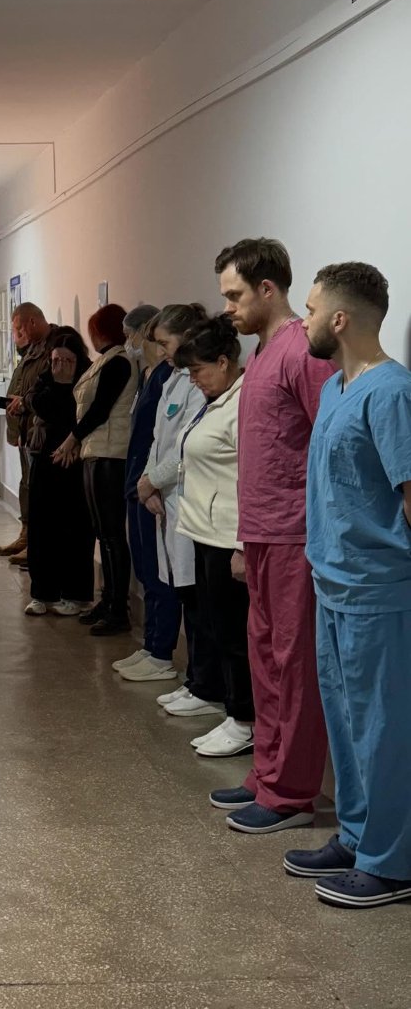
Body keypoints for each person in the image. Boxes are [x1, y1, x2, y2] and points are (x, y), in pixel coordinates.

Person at [283, 263, 411, 909]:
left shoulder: (391, 393)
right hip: (332, 584)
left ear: (339, 319)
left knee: (383, 732)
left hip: (377, 592)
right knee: (347, 726)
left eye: (309, 310)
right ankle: (359, 836)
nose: (301, 321)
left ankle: (393, 863)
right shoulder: (336, 388)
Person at [211, 238, 333, 833]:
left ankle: (292, 792)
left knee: (293, 662)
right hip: (260, 533)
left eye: (235, 295)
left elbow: (330, 442)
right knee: (263, 658)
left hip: (294, 535)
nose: (228, 307)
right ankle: (266, 773)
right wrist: (243, 538)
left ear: (267, 288)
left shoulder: (302, 352)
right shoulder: (260, 354)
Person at [173, 316, 254, 757]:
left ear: (224, 362)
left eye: (198, 371)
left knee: (234, 634)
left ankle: (245, 720)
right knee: (217, 628)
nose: (194, 380)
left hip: (227, 538)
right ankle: (232, 710)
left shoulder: (242, 403)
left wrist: (242, 544)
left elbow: (252, 476)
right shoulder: (216, 400)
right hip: (205, 534)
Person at [135, 305, 211, 709]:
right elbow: (158, 439)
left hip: (187, 498)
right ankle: (195, 679)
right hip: (165, 497)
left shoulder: (199, 383)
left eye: (165, 342)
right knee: (181, 589)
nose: (162, 351)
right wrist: (147, 482)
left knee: (195, 597)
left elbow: (186, 446)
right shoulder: (174, 378)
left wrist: (153, 481)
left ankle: (204, 684)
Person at [52, 305, 137, 636]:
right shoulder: (106, 360)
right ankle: (108, 599)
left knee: (112, 535)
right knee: (103, 533)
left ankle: (118, 609)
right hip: (96, 451)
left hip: (110, 455)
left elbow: (100, 409)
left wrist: (71, 439)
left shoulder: (119, 362)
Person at [117, 305, 184, 679]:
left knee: (161, 573)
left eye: (132, 334)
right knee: (145, 568)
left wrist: (151, 481)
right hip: (139, 482)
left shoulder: (170, 377)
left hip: (154, 486)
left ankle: (161, 651)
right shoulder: (151, 375)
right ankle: (150, 644)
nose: (130, 342)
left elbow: (172, 443)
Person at [23, 331, 94, 616]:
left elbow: (80, 415)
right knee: (42, 526)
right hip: (45, 458)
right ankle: (42, 593)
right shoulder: (45, 379)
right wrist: (57, 382)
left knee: (74, 527)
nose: (60, 365)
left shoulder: (88, 379)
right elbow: (38, 404)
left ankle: (75, 594)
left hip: (76, 459)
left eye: (67, 360)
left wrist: (73, 442)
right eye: (56, 359)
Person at [0, 304, 64, 568]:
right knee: (27, 485)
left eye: (18, 329)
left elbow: (45, 392)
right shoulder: (32, 350)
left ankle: (38, 545)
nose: (17, 335)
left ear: (32, 322)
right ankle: (27, 535)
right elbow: (23, 384)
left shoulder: (55, 348)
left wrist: (25, 403)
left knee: (39, 490)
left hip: (41, 431)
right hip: (26, 431)